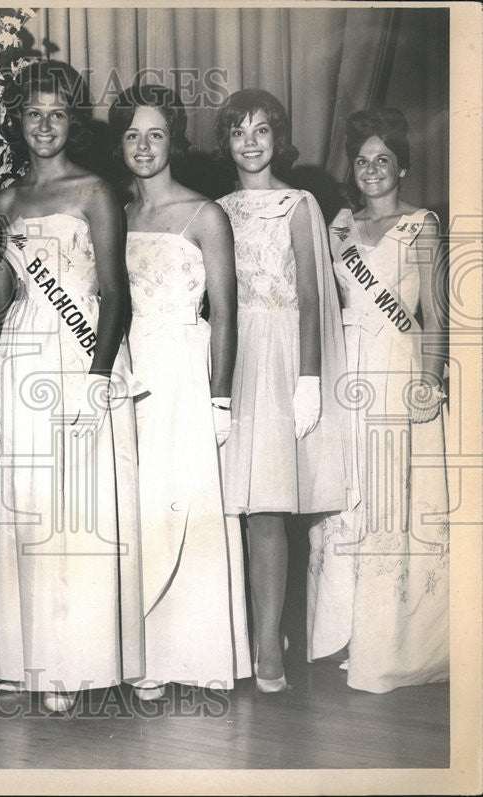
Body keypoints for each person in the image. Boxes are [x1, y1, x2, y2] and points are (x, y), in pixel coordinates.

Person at [0, 60, 143, 713]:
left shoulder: (95, 192)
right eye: (32, 114)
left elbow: (112, 293)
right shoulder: (7, 200)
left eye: (56, 114)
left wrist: (100, 376)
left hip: (77, 361)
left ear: (72, 121)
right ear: (17, 122)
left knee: (73, 509)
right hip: (20, 360)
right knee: (24, 504)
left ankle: (73, 659)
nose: (44, 125)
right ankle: (26, 654)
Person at [109, 83, 251, 700]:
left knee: (183, 503)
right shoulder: (113, 213)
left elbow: (226, 313)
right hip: (128, 373)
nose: (144, 146)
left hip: (184, 377)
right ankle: (140, 652)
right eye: (133, 134)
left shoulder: (206, 215)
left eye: (156, 134)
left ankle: (192, 651)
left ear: (175, 141)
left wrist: (220, 399)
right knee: (136, 508)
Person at [307, 108, 449, 693]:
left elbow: (435, 314)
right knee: (347, 500)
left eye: (382, 161)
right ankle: (341, 633)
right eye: (362, 161)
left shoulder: (422, 226)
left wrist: (431, 379)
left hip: (396, 371)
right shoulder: (338, 228)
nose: (371, 171)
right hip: (347, 376)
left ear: (403, 167)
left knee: (390, 502)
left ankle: (384, 641)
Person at [214, 89, 350, 693]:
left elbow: (316, 298)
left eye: (261, 131)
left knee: (267, 506)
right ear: (226, 142)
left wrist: (310, 381)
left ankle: (269, 645)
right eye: (239, 131)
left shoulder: (300, 205)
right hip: (226, 359)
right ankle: (235, 634)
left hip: (278, 362)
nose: (251, 142)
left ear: (278, 138)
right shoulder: (213, 209)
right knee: (227, 507)